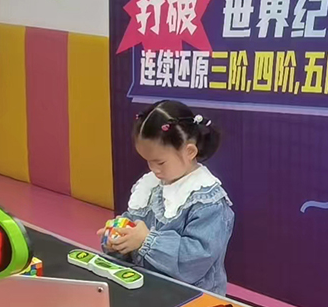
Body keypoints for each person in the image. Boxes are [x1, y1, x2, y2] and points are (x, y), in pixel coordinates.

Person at [97, 100, 234, 294]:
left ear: (190, 152)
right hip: (148, 290)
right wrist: (118, 240)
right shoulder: (150, 186)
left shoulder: (208, 202)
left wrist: (147, 240)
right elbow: (133, 231)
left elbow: (194, 261)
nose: (154, 169)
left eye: (160, 162)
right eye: (148, 161)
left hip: (193, 298)